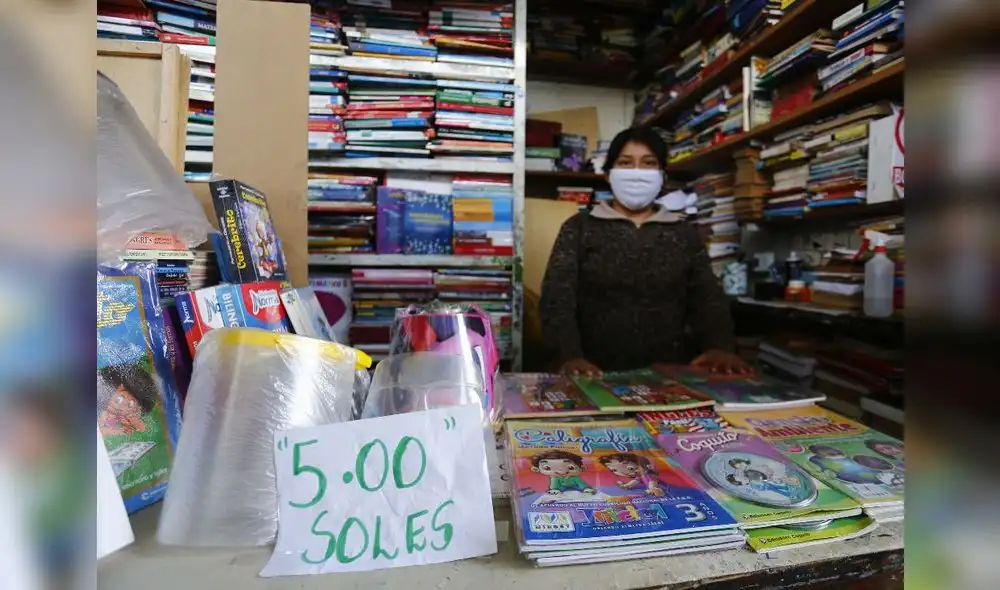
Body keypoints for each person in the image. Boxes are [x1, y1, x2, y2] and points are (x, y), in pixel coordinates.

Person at [540, 127, 749, 376]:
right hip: (592, 373)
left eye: (648, 163)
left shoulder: (683, 233)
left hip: (668, 376)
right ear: (608, 174)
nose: (636, 173)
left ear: (662, 176)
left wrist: (720, 347)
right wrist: (568, 356)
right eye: (626, 163)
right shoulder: (578, 228)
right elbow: (556, 299)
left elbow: (707, 298)